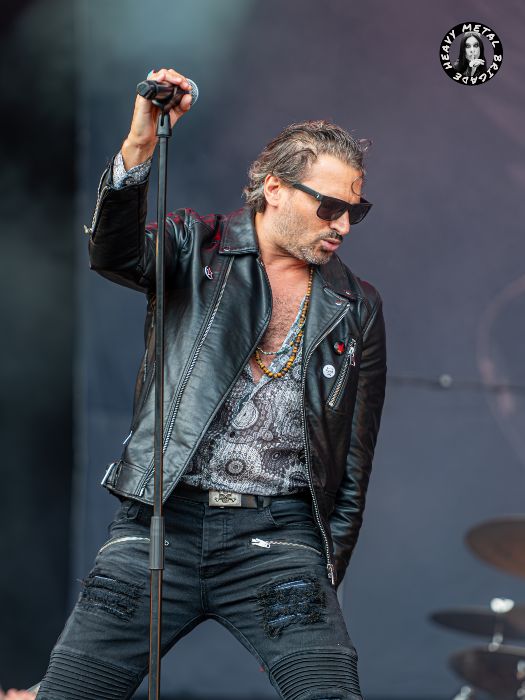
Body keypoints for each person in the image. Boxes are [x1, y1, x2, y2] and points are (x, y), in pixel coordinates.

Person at [35, 68, 387, 700]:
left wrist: (323, 568)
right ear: (274, 189)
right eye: (329, 206)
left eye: (354, 210)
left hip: (278, 537)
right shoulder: (195, 245)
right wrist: (142, 143)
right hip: (160, 521)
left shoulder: (355, 304)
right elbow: (112, 253)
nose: (342, 224)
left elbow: (353, 459)